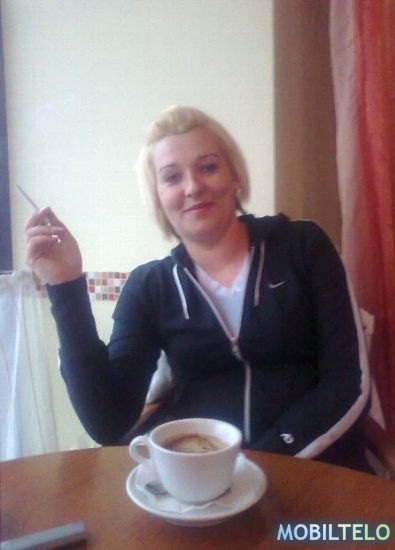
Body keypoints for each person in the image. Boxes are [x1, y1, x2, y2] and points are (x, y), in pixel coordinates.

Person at [25, 106, 371, 472]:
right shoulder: (149, 287)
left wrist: (259, 463)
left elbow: (349, 383)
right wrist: (66, 285)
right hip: (203, 485)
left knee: (336, 515)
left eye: (208, 167)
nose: (192, 187)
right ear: (158, 197)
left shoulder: (303, 246)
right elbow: (108, 421)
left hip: (316, 474)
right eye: (172, 177)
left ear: (235, 176)